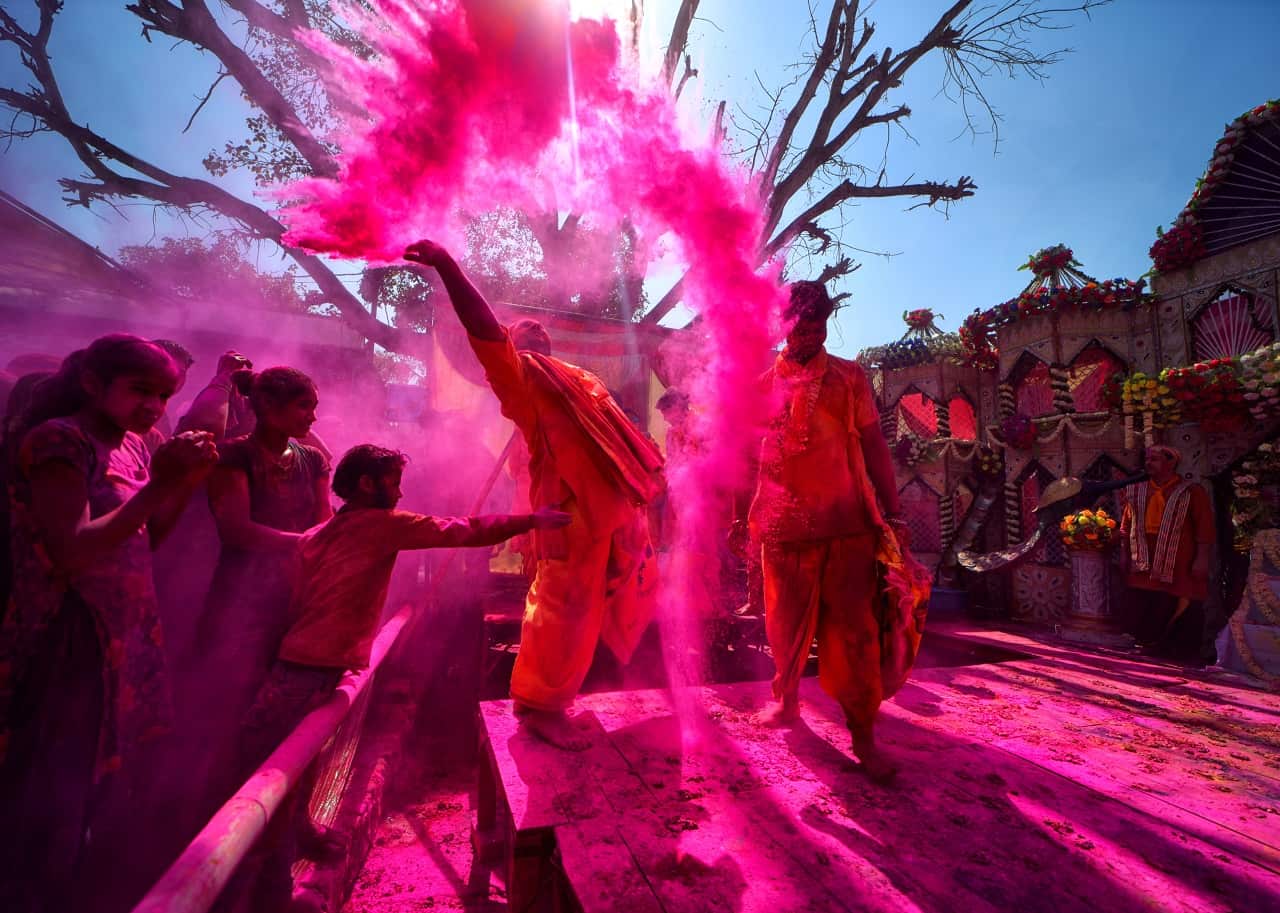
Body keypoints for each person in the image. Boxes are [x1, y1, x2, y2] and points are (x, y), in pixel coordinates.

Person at [229, 443, 569, 909]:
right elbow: (461, 530)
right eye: (392, 479)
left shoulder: (331, 527)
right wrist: (532, 520)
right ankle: (269, 896)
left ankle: (297, 845)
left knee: (290, 770)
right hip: (306, 670)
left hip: (301, 662)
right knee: (273, 786)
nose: (401, 489)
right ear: (367, 484)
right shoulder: (377, 526)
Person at [405, 239, 664, 750]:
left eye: (539, 327)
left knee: (590, 609)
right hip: (564, 518)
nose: (538, 328)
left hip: (609, 515)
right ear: (512, 346)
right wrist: (449, 266)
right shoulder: (520, 378)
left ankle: (552, 701)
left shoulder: (579, 380)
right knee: (560, 611)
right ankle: (540, 709)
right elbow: (483, 330)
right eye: (524, 329)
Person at [0, 335, 216, 913]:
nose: (153, 406)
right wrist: (163, 486)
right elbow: (72, 551)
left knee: (99, 788)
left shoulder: (138, 445)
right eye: (140, 391)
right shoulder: (58, 441)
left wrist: (184, 481)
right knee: (50, 790)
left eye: (164, 395)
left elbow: (147, 538)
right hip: (69, 637)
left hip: (125, 631)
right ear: (94, 384)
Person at [747, 280, 910, 783]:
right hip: (783, 528)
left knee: (855, 638)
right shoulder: (760, 386)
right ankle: (788, 701)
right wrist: (738, 517)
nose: (807, 337)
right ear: (782, 326)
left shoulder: (849, 378)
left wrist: (894, 508)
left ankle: (864, 736)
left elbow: (875, 444)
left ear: (826, 324)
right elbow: (744, 459)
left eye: (817, 326)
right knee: (783, 629)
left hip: (847, 527)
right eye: (798, 327)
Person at [188, 366, 331, 804]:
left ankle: (290, 817)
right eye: (303, 406)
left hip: (294, 600)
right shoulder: (234, 457)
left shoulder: (313, 459)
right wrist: (305, 544)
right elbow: (236, 530)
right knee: (231, 708)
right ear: (267, 406)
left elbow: (324, 522)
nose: (311, 417)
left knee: (295, 715)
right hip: (241, 604)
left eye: (313, 407)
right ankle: (213, 816)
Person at [1119, 445, 1215, 660]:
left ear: (1171, 463)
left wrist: (1202, 559)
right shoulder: (1136, 490)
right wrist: (1124, 554)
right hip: (1144, 558)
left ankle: (1179, 652)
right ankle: (1146, 644)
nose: (1148, 463)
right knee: (1143, 600)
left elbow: (1204, 529)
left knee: (1181, 599)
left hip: (1179, 559)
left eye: (1154, 459)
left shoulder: (1192, 491)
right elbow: (1125, 527)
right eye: (1147, 459)